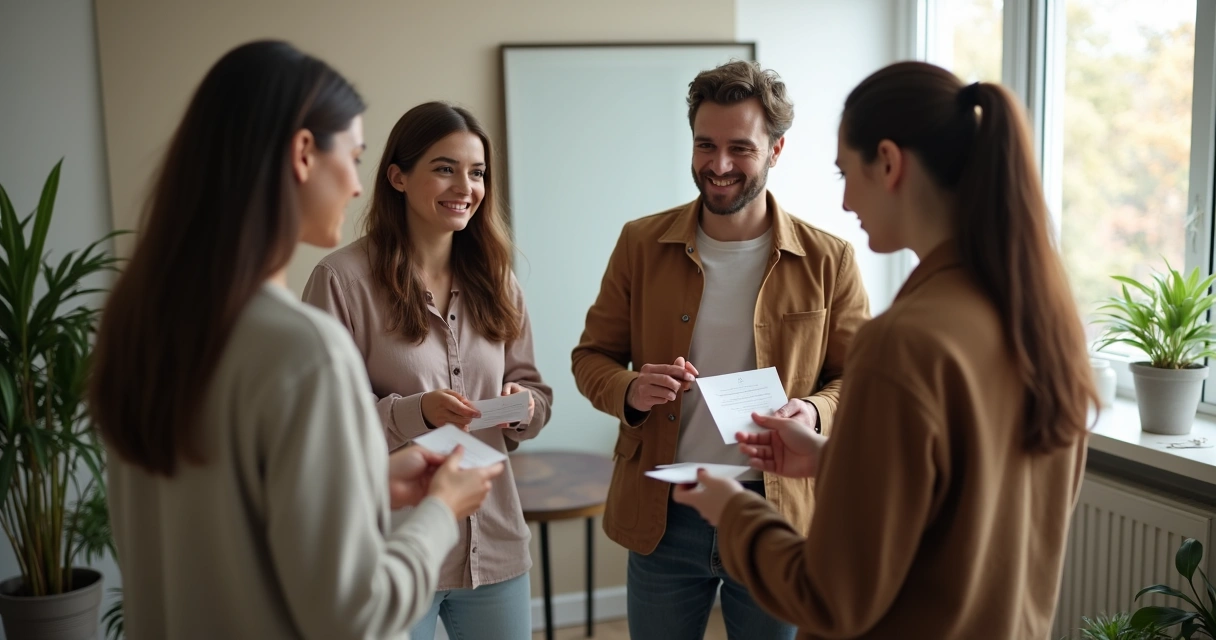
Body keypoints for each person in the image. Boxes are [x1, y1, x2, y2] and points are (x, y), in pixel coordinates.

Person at [89, 41, 502, 639]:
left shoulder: (140, 329)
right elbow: (350, 610)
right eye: (354, 156)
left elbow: (224, 517)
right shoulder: (301, 348)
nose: (359, 187)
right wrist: (441, 510)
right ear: (304, 153)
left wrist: (365, 483)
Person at [673, 61, 1097, 640]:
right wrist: (832, 460)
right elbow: (965, 502)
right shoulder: (1044, 323)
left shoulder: (903, 341)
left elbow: (830, 598)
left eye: (847, 173)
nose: (847, 201)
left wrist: (732, 510)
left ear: (890, 163)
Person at [571, 60, 870, 640]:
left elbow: (855, 379)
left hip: (776, 514)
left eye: (741, 148)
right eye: (705, 145)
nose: (719, 165)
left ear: (777, 150)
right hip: (665, 512)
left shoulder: (830, 260)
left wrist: (811, 411)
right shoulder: (640, 243)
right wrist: (630, 389)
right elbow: (591, 358)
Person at [303, 101, 553, 640]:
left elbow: (538, 394)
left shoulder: (499, 279)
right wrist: (417, 412)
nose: (465, 185)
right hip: (391, 551)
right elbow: (325, 427)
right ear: (397, 176)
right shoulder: (341, 281)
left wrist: (524, 408)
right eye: (445, 167)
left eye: (477, 172)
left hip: (495, 545)